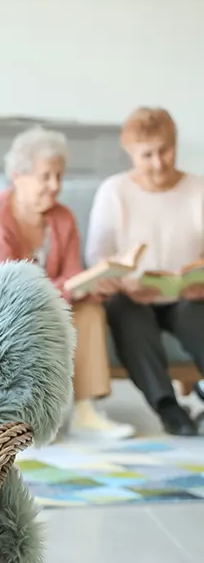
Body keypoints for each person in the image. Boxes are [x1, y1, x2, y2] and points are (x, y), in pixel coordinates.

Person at [0, 126, 134, 440]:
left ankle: (86, 411)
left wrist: (91, 285)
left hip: (39, 304)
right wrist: (71, 285)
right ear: (19, 175)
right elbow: (4, 289)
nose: (55, 186)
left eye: (59, 176)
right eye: (45, 176)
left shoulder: (63, 218)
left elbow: (74, 275)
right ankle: (10, 417)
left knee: (89, 310)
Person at [85, 107, 204, 437]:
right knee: (127, 313)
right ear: (131, 152)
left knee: (197, 315)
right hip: (132, 295)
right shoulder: (114, 191)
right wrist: (123, 283)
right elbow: (98, 256)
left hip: (186, 295)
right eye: (146, 154)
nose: (157, 162)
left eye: (165, 150)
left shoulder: (198, 189)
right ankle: (169, 408)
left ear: (175, 144)